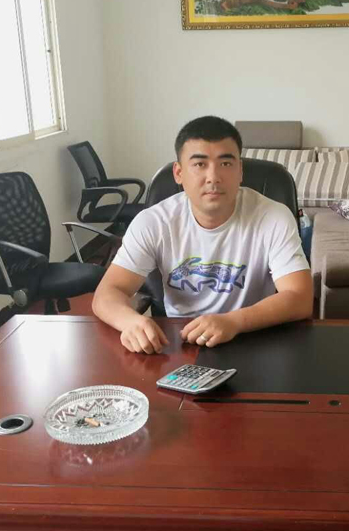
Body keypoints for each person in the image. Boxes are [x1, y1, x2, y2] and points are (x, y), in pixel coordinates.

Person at [92, 116, 313, 353]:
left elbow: (299, 297)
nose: (213, 177)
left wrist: (233, 322)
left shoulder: (273, 217)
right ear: (179, 173)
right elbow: (108, 293)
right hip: (179, 342)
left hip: (252, 336)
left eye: (225, 163)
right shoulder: (153, 222)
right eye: (199, 164)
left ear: (240, 170)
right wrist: (130, 322)